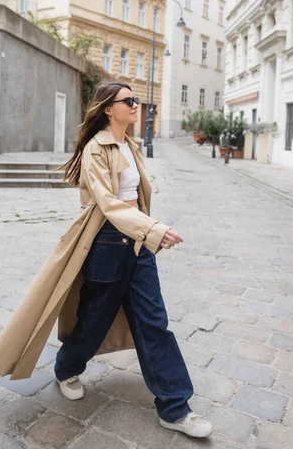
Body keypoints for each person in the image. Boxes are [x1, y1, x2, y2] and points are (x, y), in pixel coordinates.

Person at [53, 82, 213, 439]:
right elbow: (108, 205)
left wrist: (146, 230)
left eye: (136, 100)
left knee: (154, 321)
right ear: (109, 108)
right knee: (94, 319)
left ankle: (175, 407)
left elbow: (137, 200)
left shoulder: (131, 144)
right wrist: (155, 229)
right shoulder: (97, 148)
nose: (136, 105)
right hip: (108, 243)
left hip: (138, 243)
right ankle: (66, 368)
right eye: (129, 101)